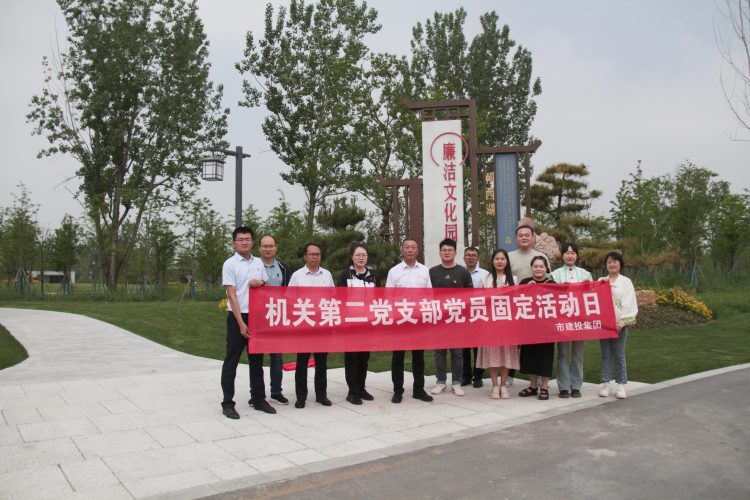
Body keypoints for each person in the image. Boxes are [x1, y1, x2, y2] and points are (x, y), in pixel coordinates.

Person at [221, 226, 272, 419]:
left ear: (252, 242)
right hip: (238, 317)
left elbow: (266, 286)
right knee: (231, 361)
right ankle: (227, 403)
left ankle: (258, 399)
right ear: (234, 242)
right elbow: (231, 295)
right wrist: (241, 323)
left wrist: (262, 283)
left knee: (257, 361)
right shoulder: (230, 264)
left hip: (257, 317)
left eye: (247, 239)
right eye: (240, 239)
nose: (244, 242)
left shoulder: (258, 262)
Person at [386, 239, 434, 404]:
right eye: (407, 247)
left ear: (417, 250)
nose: (410, 250)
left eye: (413, 247)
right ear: (402, 250)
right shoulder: (394, 271)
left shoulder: (424, 270)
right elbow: (388, 297)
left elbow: (429, 295)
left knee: (418, 357)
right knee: (398, 357)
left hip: (418, 320)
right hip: (400, 319)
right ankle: (397, 391)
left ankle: (418, 390)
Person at [288, 243, 335, 409]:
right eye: (312, 254)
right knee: (302, 361)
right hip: (305, 323)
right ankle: (301, 397)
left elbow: (333, 296)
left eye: (318, 254)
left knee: (321, 362)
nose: (315, 257)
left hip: (322, 323)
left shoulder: (327, 274)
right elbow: (289, 298)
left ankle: (321, 395)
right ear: (305, 257)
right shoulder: (297, 276)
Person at [429, 238, 473, 397]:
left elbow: (470, 296)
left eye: (450, 250)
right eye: (444, 250)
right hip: (439, 319)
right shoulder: (432, 272)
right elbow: (427, 295)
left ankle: (456, 382)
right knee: (439, 352)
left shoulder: (463, 272)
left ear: (455, 252)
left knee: (457, 353)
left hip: (457, 319)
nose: (447, 253)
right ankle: (440, 382)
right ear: (440, 252)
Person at [506, 224, 548, 386]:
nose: (524, 237)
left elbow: (548, 281)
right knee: (514, 343)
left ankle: (539, 376)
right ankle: (509, 375)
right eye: (521, 235)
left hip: (538, 308)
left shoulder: (540, 256)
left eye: (527, 235)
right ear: (516, 238)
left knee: (538, 343)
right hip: (516, 306)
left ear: (533, 237)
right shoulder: (509, 256)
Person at [550, 242, 592, 398]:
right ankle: (563, 387)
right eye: (567, 253)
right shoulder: (554, 275)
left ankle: (576, 385)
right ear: (562, 255)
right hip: (562, 318)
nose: (570, 256)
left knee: (578, 353)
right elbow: (551, 295)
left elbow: (592, 294)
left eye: (573, 253)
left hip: (580, 318)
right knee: (562, 353)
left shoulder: (585, 274)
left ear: (577, 255)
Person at [476, 249, 519, 399]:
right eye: (497, 259)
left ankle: (503, 384)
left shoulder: (514, 279)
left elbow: (517, 301)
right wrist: (496, 292)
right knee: (492, 354)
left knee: (507, 354)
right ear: (492, 261)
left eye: (502, 259)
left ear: (507, 261)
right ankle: (494, 385)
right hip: (490, 322)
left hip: (508, 322)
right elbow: (479, 300)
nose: (499, 261)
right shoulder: (485, 278)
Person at [337, 243, 377, 405]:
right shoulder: (345, 274)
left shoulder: (372, 274)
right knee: (352, 358)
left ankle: (361, 388)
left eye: (364, 255)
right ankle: (352, 392)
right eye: (358, 255)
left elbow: (378, 296)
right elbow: (340, 298)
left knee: (364, 358)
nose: (361, 258)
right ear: (352, 257)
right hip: (351, 324)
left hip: (367, 323)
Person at [253, 234, 291, 405]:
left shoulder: (282, 267)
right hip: (257, 317)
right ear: (259, 248)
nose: (268, 249)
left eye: (271, 246)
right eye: (264, 246)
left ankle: (276, 392)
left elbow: (287, 292)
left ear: (276, 248)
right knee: (257, 358)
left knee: (276, 357)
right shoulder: (253, 266)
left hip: (276, 316)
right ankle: (257, 394)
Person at [598, 251, 638, 399]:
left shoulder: (626, 282)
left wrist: (621, 322)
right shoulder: (601, 281)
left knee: (619, 354)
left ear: (620, 264)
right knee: (605, 354)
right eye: (609, 262)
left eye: (615, 261)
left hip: (620, 325)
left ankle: (620, 385)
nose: (612, 264)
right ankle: (606, 383)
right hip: (604, 325)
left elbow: (629, 303)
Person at [517, 255, 556, 401]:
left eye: (541, 266)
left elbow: (558, 302)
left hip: (547, 328)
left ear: (546, 268)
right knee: (529, 356)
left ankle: (544, 387)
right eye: (535, 266)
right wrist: (527, 289)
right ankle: (533, 386)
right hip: (529, 327)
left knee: (545, 356)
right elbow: (516, 300)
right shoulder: (525, 282)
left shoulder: (552, 284)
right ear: (531, 268)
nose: (538, 269)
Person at [462, 246, 489, 388]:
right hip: (462, 315)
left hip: (479, 314)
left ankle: (478, 377)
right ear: (464, 258)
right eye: (468, 255)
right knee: (464, 348)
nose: (471, 257)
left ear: (478, 258)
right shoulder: (459, 272)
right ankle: (465, 376)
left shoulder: (485, 274)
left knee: (478, 348)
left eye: (473, 255)